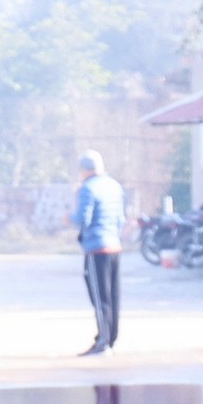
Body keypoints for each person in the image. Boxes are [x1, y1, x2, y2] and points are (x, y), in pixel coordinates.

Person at [73, 150, 125, 355]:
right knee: (113, 296)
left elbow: (83, 220)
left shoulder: (87, 188)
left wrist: (69, 218)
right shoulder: (114, 186)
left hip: (96, 248)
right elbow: (120, 219)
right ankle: (111, 339)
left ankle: (103, 342)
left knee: (100, 297)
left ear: (85, 170)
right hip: (114, 246)